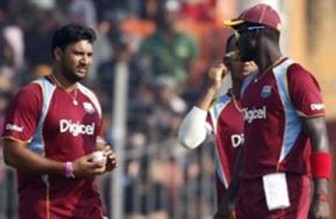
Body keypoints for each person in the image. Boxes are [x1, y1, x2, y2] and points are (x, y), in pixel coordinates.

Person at [216, 4, 332, 219]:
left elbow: (319, 137)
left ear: (257, 34)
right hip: (251, 190)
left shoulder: (294, 76)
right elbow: (247, 146)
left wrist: (321, 197)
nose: (237, 41)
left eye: (240, 33)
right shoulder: (251, 83)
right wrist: (229, 200)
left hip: (284, 186)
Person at [2, 24, 117, 219]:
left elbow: (98, 145)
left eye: (89, 55)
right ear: (58, 53)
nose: (85, 61)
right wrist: (68, 168)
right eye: (78, 54)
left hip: (89, 208)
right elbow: (12, 154)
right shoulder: (33, 95)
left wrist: (106, 160)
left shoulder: (91, 99)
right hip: (48, 209)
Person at [178, 34, 257, 206]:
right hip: (232, 210)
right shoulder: (218, 109)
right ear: (227, 63)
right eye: (238, 55)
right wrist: (212, 87)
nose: (246, 61)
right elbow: (187, 139)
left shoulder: (275, 103)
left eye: (251, 54)